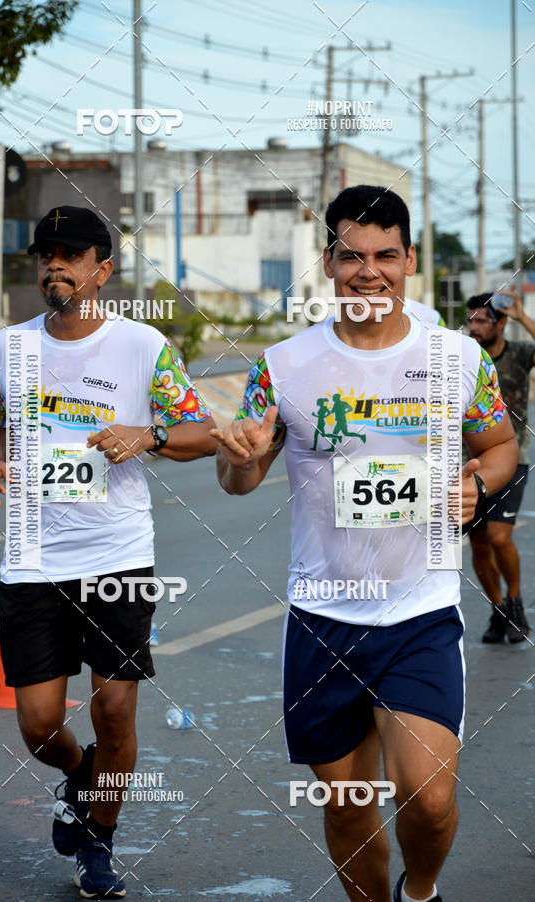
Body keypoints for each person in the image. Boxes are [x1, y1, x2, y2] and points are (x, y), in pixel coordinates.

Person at [211, 184, 518, 902]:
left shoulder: (456, 358)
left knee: (429, 800)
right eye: (352, 256)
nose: (369, 272)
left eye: (385, 255)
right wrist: (244, 455)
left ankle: (422, 892)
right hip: (322, 619)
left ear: (409, 260)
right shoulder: (281, 367)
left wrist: (480, 486)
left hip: (420, 613)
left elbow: (499, 444)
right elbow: (236, 479)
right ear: (329, 261)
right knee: (350, 813)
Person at [0, 205, 216, 899]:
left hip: (116, 553)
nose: (54, 263)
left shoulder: (142, 345)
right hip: (32, 558)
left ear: (101, 270)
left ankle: (100, 845)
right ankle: (80, 777)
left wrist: (148, 435)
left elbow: (201, 429)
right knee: (38, 724)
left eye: (70, 253)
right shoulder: (8, 348)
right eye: (45, 252)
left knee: (115, 712)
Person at [466, 290, 532, 643]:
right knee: (478, 543)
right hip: (467, 463)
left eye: (482, 320)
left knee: (499, 536)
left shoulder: (520, 354)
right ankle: (499, 610)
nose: (474, 327)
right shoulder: (461, 360)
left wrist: (523, 317)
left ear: (500, 323)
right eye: (471, 320)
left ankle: (516, 600)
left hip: (511, 457)